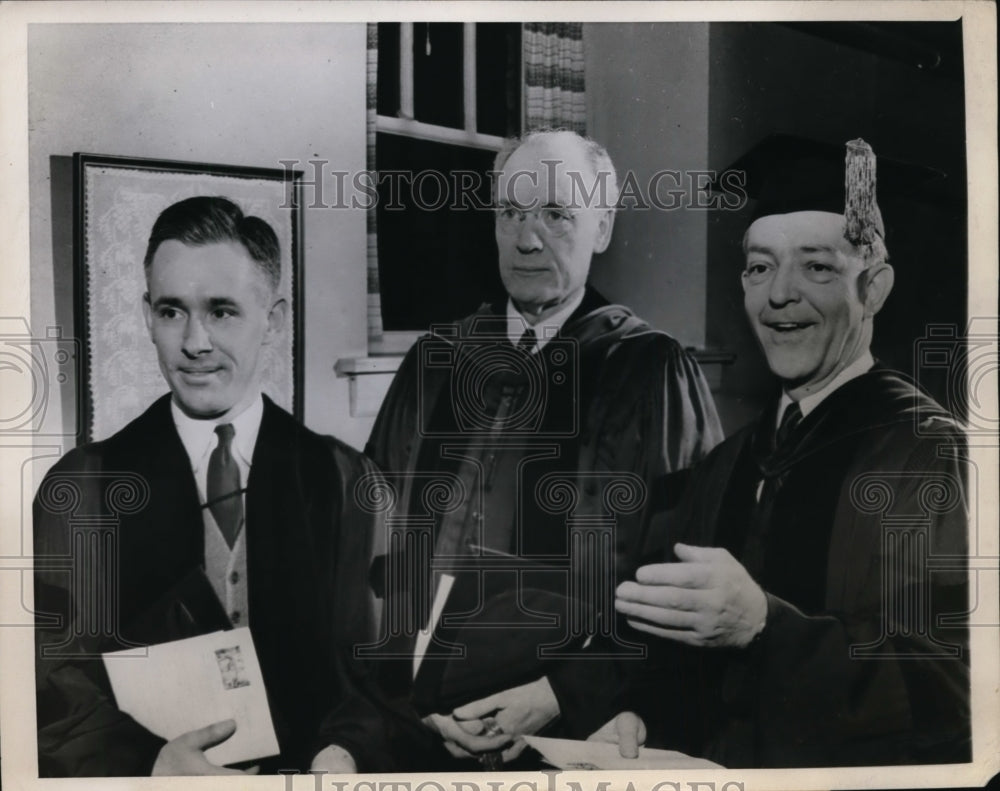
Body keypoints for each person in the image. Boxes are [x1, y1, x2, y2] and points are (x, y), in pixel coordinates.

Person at [593, 138, 970, 766]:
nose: (779, 295)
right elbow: (685, 662)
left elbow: (953, 694)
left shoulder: (928, 455)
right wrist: (644, 713)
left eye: (816, 267)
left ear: (874, 289)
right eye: (759, 268)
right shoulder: (728, 464)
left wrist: (765, 628)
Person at [365, 129, 724, 768]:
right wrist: (405, 696)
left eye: (557, 214)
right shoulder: (435, 362)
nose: (527, 239)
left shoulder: (650, 371)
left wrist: (559, 694)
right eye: (511, 212)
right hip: (415, 718)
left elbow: (682, 583)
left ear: (602, 228)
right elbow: (371, 549)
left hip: (570, 725)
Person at [33, 196, 410, 775]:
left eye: (222, 311)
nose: (195, 342)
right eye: (171, 311)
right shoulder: (82, 488)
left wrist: (346, 750)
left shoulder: (346, 481)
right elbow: (51, 681)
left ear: (273, 320)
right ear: (146, 316)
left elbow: (381, 669)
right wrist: (151, 766)